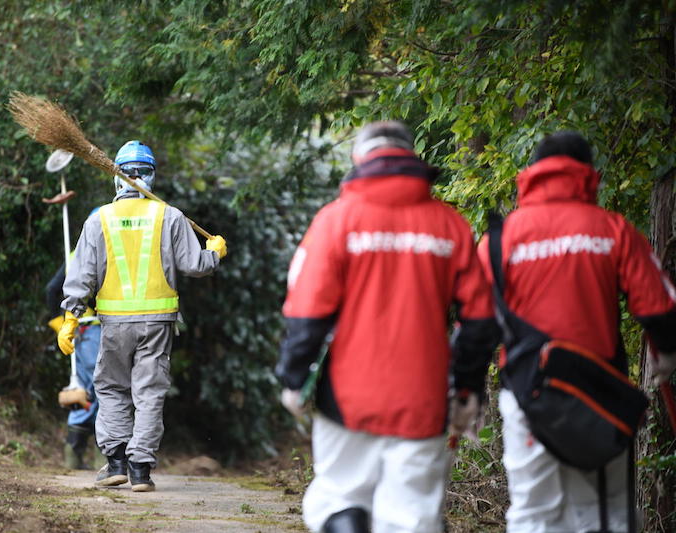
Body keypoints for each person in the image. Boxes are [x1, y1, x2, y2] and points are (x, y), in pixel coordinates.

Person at [276, 121, 499, 533]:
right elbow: (481, 319)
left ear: (360, 160)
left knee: (339, 497)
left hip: (346, 397)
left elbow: (307, 309)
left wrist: (293, 376)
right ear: (411, 158)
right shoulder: (449, 225)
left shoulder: (335, 221)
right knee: (410, 516)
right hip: (424, 399)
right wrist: (466, 389)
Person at [476, 131, 676, 533]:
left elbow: (474, 323)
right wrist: (666, 355)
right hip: (597, 397)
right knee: (605, 516)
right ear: (589, 174)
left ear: (531, 173)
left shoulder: (499, 241)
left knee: (533, 514)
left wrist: (466, 390)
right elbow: (659, 306)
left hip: (526, 397)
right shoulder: (611, 229)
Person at [58, 140, 227, 492]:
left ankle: (116, 461)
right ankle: (139, 471)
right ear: (150, 175)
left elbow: (81, 275)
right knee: (149, 393)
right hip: (157, 323)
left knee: (111, 389)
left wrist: (71, 318)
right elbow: (195, 265)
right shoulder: (170, 216)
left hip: (114, 324)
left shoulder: (99, 219)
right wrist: (214, 252)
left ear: (117, 177)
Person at [46, 255, 101, 470]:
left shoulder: (74, 254)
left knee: (85, 391)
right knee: (102, 391)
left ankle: (73, 457)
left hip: (76, 332)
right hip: (93, 328)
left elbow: (51, 290)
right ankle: (103, 459)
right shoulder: (102, 252)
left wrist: (59, 326)